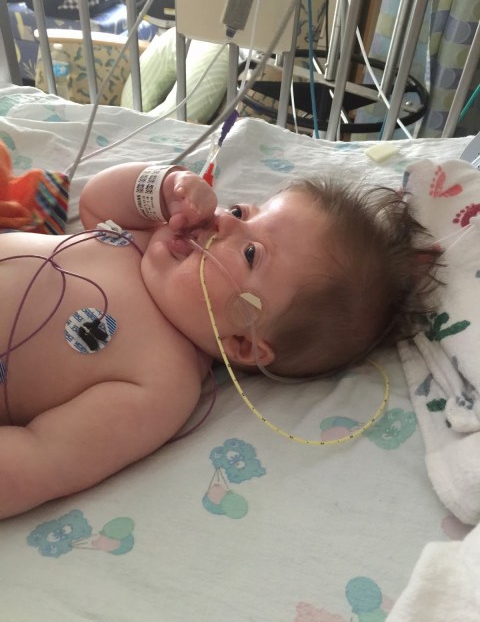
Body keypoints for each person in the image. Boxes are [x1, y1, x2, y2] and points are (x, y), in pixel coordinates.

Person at [0, 162, 441, 519]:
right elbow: (96, 198)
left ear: (244, 344)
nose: (224, 222)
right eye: (243, 212)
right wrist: (164, 187)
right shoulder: (138, 239)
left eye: (251, 254)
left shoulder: (161, 383)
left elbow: (44, 459)